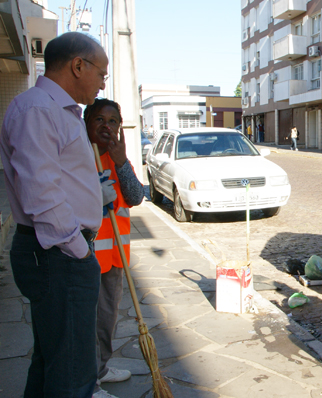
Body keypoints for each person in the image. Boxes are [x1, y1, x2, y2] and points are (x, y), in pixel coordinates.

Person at [0, 32, 113, 398]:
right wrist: (78, 251)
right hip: (57, 252)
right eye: (101, 72)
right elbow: (42, 193)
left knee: (53, 360)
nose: (102, 82)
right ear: (78, 66)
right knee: (72, 371)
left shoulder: (59, 111)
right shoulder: (38, 109)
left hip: (59, 251)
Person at [84, 99, 144, 397]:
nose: (106, 127)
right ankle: (88, 383)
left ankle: (102, 368)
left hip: (116, 254)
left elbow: (135, 197)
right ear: (87, 124)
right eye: (99, 120)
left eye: (112, 121)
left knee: (107, 318)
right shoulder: (80, 156)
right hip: (85, 254)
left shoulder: (119, 158)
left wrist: (121, 163)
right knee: (87, 323)